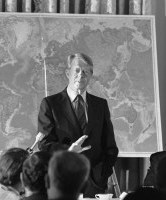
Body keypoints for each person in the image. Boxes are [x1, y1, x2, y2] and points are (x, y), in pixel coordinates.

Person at [37, 52, 119, 197]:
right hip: (62, 181)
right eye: (77, 70)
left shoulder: (100, 105)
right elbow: (44, 144)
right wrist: (69, 150)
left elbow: (110, 146)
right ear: (67, 73)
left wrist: (101, 175)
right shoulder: (50, 104)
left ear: (91, 75)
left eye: (86, 71)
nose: (81, 75)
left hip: (94, 185)